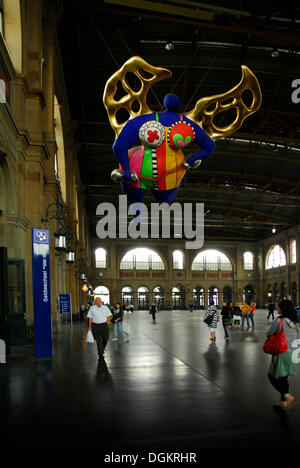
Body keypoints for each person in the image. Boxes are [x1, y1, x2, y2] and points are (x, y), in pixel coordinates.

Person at [267, 300, 299, 410]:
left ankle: (287, 397)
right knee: (283, 378)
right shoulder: (295, 322)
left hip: (282, 352)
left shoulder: (279, 321)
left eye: (278, 306)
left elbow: (269, 333)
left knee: (272, 377)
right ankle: (283, 402)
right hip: (292, 353)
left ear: (282, 309)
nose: (277, 308)